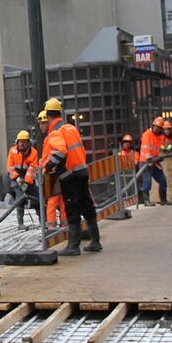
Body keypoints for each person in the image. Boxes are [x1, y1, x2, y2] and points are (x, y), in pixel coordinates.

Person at [41, 97, 102, 255]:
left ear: (48, 115)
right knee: (87, 206)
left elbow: (60, 151)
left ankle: (73, 246)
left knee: (72, 209)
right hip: (81, 172)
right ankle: (95, 242)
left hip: (70, 176)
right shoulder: (70, 128)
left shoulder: (56, 132)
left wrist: (49, 166)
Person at [38, 110, 66, 231]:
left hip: (52, 173)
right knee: (60, 200)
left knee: (52, 201)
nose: (41, 126)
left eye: (43, 123)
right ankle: (65, 224)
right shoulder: (49, 137)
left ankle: (51, 227)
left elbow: (55, 154)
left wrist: (47, 167)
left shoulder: (52, 136)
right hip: (53, 172)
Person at [6, 130, 40, 230]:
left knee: (37, 198)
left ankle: (43, 221)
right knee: (20, 199)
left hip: (28, 179)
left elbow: (32, 168)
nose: (22, 144)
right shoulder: (12, 151)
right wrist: (17, 179)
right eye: (20, 141)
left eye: (24, 141)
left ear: (28, 142)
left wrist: (26, 182)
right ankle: (20, 223)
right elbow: (10, 167)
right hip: (15, 178)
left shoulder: (34, 153)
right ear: (17, 142)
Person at [139, 117, 171, 206]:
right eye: (155, 126)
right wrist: (157, 159)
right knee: (147, 182)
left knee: (163, 180)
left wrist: (170, 147)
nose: (156, 128)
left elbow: (164, 146)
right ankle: (146, 201)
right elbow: (147, 155)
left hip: (155, 162)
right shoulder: (147, 135)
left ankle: (163, 200)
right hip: (146, 162)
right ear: (153, 125)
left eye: (159, 127)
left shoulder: (160, 136)